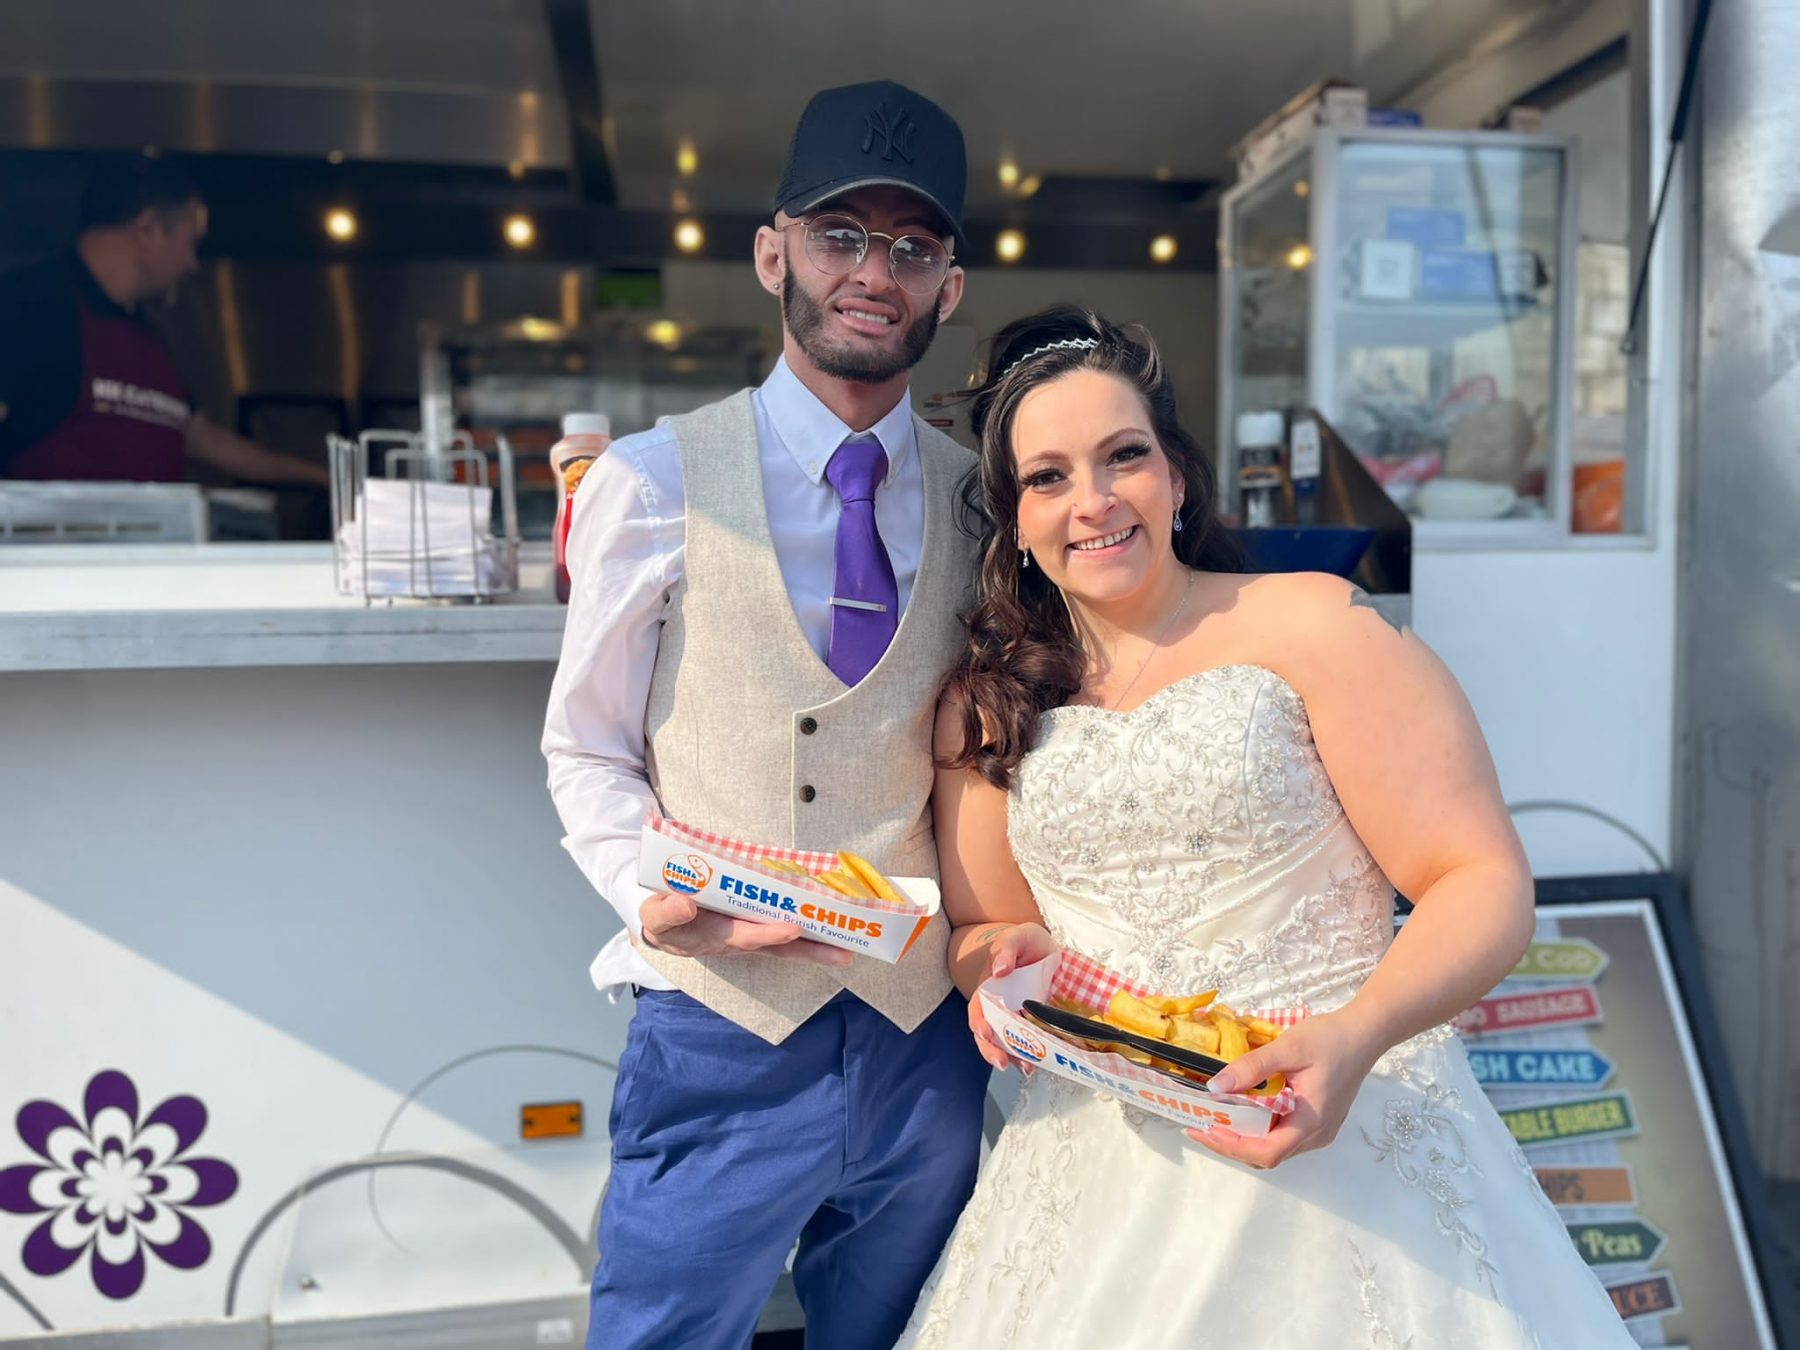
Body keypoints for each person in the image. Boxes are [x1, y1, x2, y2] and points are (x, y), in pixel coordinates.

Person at [896, 306, 1636, 1348]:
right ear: (1013, 519)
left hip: (1347, 1135)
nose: (1095, 502)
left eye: (1125, 458)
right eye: (1049, 477)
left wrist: (1358, 1034)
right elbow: (984, 933)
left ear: (1179, 476)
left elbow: (1480, 879)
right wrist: (993, 963)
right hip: (1096, 1172)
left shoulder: (1315, 626)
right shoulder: (983, 706)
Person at [542, 81, 990, 1350]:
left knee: (909, 1336)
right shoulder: (651, 482)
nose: (874, 272)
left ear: (948, 286)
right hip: (721, 1028)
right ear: (773, 251)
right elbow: (585, 744)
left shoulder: (984, 504)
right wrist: (646, 891)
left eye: (911, 246)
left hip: (924, 1037)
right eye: (843, 233)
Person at [0, 155, 328, 488]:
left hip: (159, 538)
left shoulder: (147, 334)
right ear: (149, 229)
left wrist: (330, 479)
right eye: (191, 243)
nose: (193, 264)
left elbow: (205, 439)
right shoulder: (26, 305)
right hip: (50, 538)